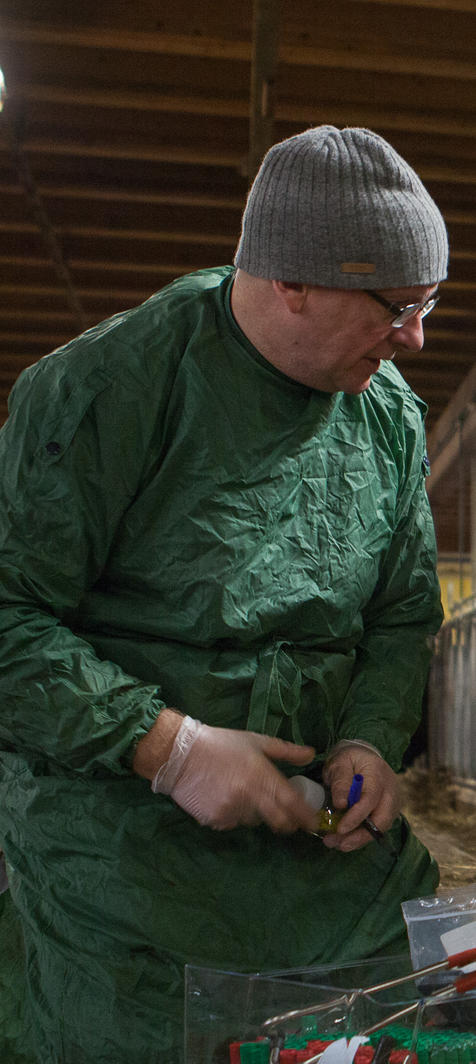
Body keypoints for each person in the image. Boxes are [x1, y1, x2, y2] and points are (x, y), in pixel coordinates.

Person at [0, 126, 447, 1063]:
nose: (415, 338)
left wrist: (368, 736)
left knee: (401, 1014)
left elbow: (402, 612)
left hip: (311, 834)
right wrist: (169, 748)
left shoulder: (390, 417)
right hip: (119, 826)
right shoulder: (110, 388)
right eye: (397, 307)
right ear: (294, 283)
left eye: (430, 305)